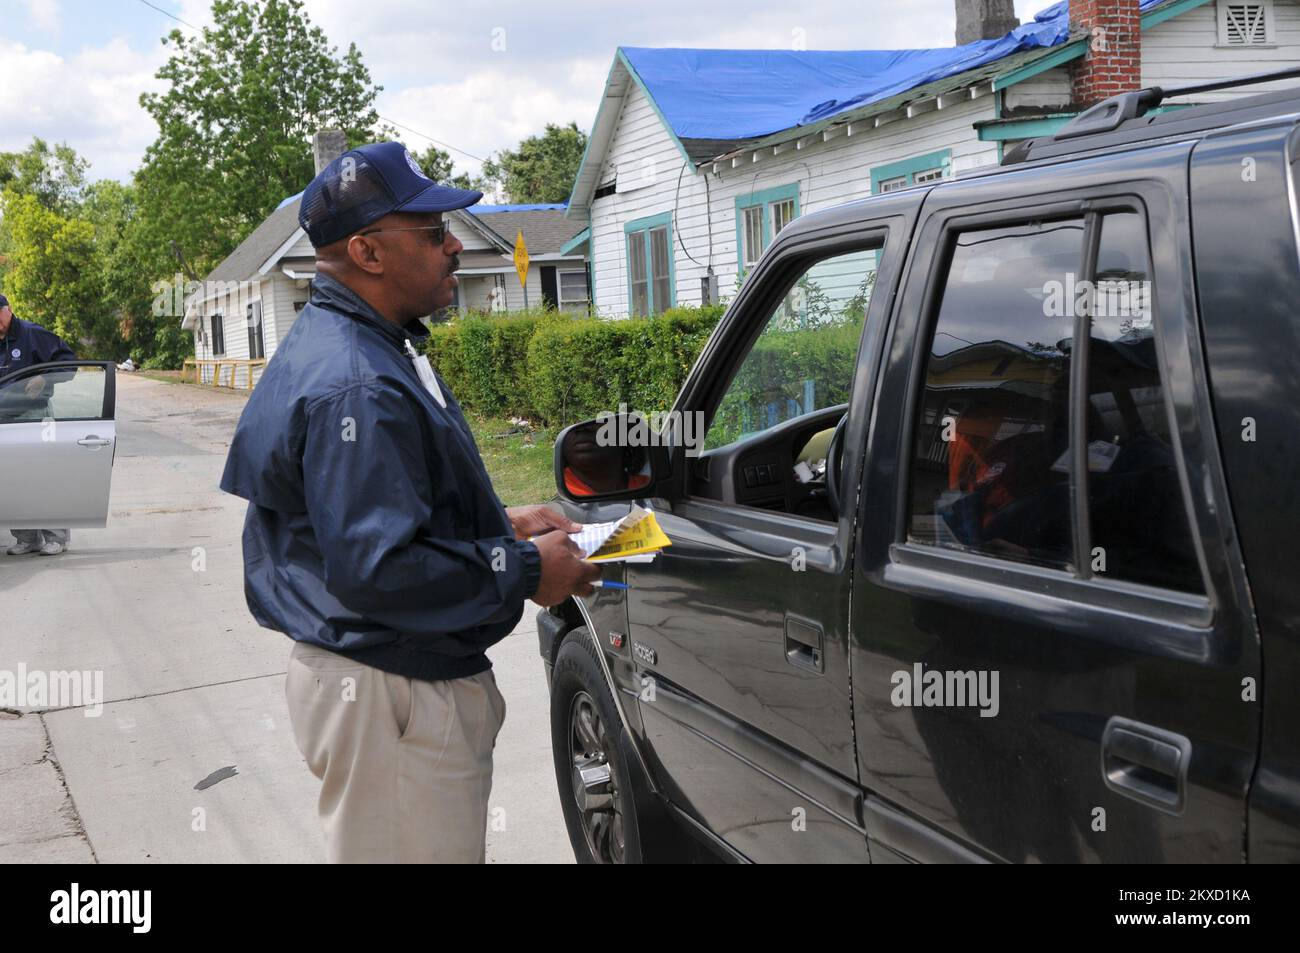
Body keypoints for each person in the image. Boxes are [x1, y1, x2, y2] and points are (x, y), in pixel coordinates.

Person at [219, 142, 600, 863]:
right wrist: (523, 570)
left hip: (387, 682)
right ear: (366, 251)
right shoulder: (357, 378)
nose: (454, 245)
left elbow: (377, 515)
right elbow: (379, 568)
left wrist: (500, 524)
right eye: (431, 234)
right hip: (389, 690)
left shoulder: (363, 343)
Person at [0, 292, 76, 556]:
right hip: (3, 419)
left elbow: (69, 363)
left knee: (43, 477)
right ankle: (27, 538)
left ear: (8, 310)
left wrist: (45, 378)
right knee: (12, 480)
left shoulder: (33, 334)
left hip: (33, 416)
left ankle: (56, 537)